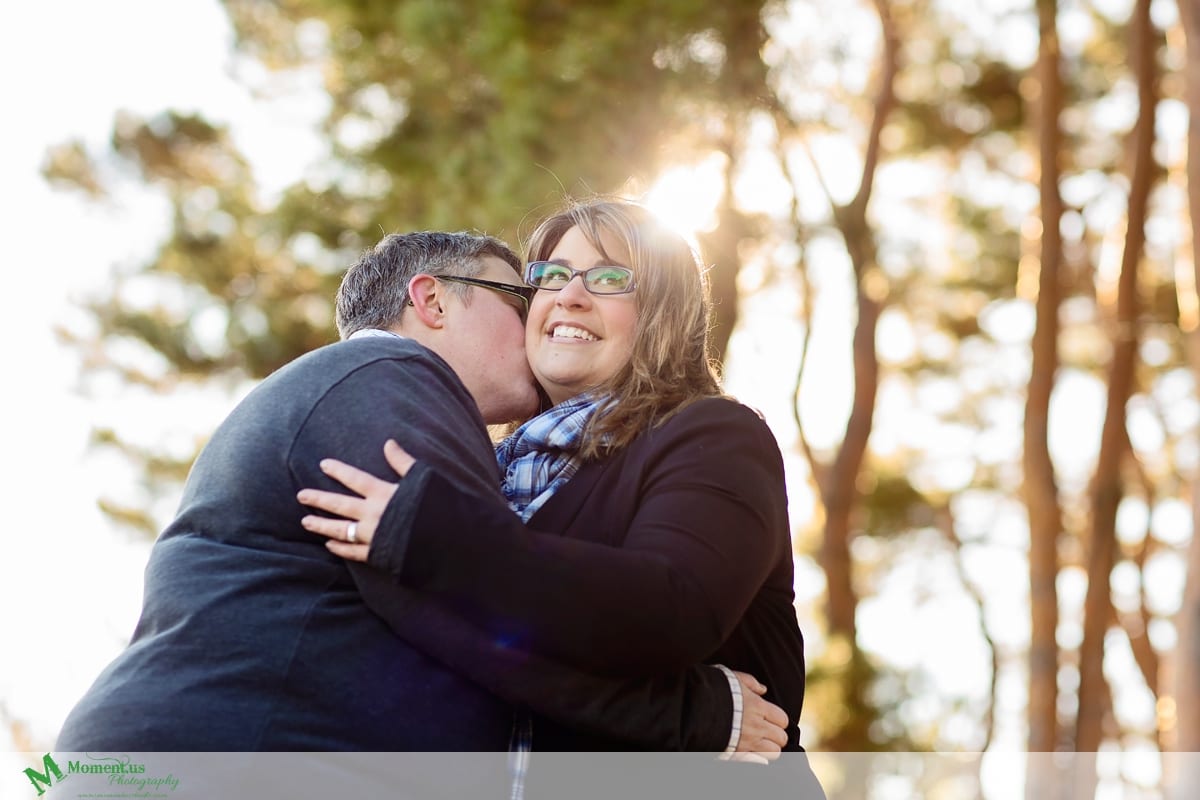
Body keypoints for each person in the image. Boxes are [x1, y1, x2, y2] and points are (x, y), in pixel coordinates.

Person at [54, 230, 786, 776]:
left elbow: (492, 595)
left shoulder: (647, 443)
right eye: (526, 292)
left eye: (605, 279)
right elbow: (449, 614)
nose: (549, 307)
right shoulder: (386, 376)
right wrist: (695, 714)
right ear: (432, 299)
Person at [297, 199, 823, 797]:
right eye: (548, 276)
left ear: (662, 314)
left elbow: (672, 610)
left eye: (609, 278)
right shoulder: (488, 479)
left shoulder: (712, 435)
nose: (569, 296)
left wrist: (441, 540)